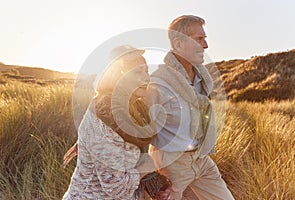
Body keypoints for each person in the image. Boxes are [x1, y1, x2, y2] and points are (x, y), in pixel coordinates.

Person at [63, 45, 174, 200]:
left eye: (146, 72)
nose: (146, 78)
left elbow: (133, 162)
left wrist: (157, 185)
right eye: (137, 72)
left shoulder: (134, 109)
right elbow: (115, 187)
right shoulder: (102, 116)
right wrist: (149, 166)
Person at [148, 15, 235, 199]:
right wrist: (151, 177)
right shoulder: (159, 83)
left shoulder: (202, 80)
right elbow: (139, 132)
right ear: (178, 44)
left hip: (201, 159)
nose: (206, 46)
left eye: (205, 39)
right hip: (171, 165)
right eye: (199, 39)